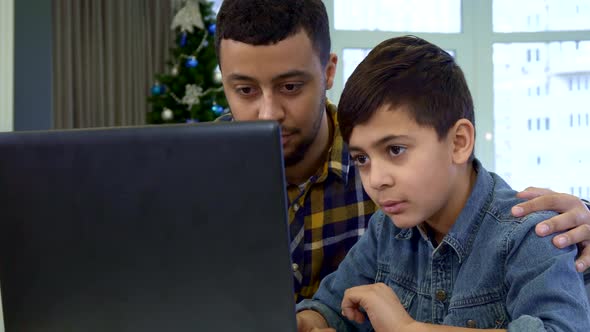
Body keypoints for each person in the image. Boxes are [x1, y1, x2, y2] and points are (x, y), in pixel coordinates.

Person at [214, 0, 590, 302]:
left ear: (328, 73)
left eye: (291, 86)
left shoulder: (394, 161)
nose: (268, 113)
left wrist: (583, 217)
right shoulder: (193, 172)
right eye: (245, 90)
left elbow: (473, 203)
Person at [295, 35, 590, 331]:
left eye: (395, 150)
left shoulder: (531, 235)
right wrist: (307, 321)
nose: (376, 180)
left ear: (459, 143)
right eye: (362, 159)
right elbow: (329, 307)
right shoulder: (385, 230)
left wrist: (410, 329)